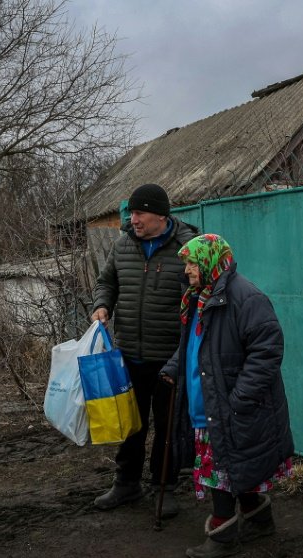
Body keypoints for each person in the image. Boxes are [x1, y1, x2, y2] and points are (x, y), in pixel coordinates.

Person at [161, 234, 293, 558]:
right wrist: (174, 367)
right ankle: (260, 521)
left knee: (219, 469)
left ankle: (223, 536)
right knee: (236, 465)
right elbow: (194, 344)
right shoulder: (199, 296)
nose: (188, 269)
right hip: (209, 400)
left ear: (210, 261)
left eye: (192, 262)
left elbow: (267, 351)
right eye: (186, 263)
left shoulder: (244, 297)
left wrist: (239, 398)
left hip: (228, 404)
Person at [91, 184, 199, 518]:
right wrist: (102, 305)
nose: (132, 219)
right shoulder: (123, 246)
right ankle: (126, 483)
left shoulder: (186, 248)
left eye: (139, 213)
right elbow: (107, 281)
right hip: (129, 355)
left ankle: (164, 488)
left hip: (169, 357)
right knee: (131, 423)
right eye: (132, 213)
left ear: (160, 215)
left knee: (168, 426)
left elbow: (201, 293)